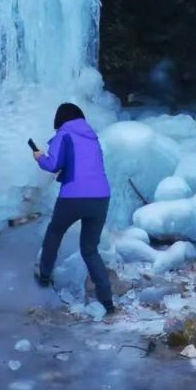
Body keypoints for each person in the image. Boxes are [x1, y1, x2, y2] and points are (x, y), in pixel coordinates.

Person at [33, 103, 115, 315]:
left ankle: (44, 275)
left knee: (55, 231)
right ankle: (107, 301)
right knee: (90, 249)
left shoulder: (65, 134)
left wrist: (39, 156)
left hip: (74, 196)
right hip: (101, 197)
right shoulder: (92, 137)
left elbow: (53, 165)